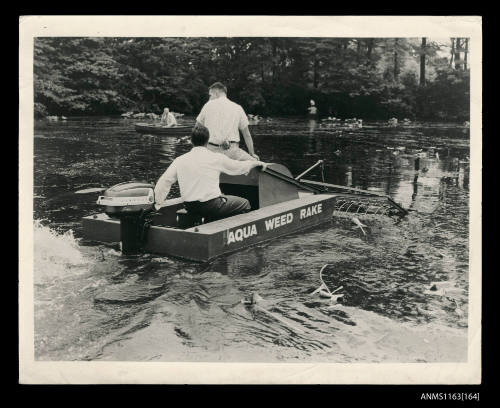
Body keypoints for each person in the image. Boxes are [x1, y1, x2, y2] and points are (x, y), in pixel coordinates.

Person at [154, 124, 267, 222]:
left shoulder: (180, 160)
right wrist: (255, 163)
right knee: (245, 204)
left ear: (191, 141)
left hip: (190, 206)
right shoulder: (216, 158)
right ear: (207, 141)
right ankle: (221, 228)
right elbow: (238, 167)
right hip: (211, 206)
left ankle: (210, 221)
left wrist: (157, 204)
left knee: (220, 198)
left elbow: (165, 181)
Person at [196, 82, 259, 161]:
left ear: (216, 93)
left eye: (210, 95)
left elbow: (197, 129)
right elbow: (247, 135)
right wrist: (252, 153)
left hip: (210, 152)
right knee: (255, 162)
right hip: (232, 152)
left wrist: (197, 151)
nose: (209, 98)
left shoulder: (207, 105)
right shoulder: (238, 108)